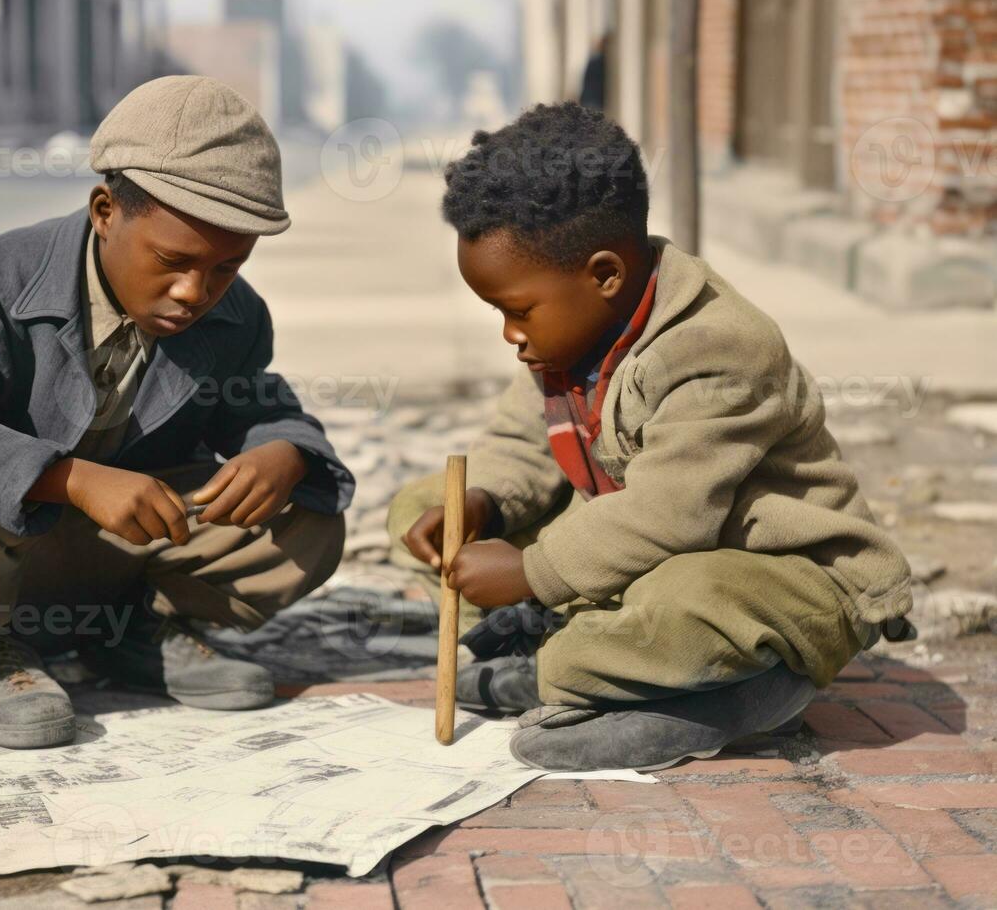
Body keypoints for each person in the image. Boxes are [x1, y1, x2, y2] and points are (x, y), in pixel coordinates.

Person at [0, 76, 352, 749]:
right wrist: (70, 478)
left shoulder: (236, 314)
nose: (196, 292)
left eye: (226, 267)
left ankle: (134, 635)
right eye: (173, 261)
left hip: (115, 560)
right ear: (105, 211)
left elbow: (261, 406)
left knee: (307, 513)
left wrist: (284, 450)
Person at [389, 102, 912, 772]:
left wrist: (529, 573)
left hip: (777, 580)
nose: (509, 335)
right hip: (634, 560)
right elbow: (521, 442)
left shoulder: (719, 347)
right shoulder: (568, 331)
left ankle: (724, 690)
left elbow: (671, 515)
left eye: (518, 311)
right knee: (421, 510)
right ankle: (584, 661)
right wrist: (484, 503)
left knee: (680, 604)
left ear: (603, 274)